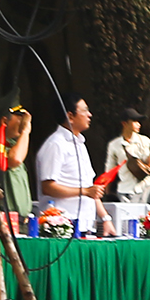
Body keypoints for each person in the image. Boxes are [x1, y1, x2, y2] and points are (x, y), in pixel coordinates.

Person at [34, 96, 102, 235]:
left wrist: (105, 217)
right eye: (85, 110)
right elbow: (48, 187)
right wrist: (85, 191)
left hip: (85, 224)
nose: (90, 115)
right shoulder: (56, 144)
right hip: (61, 227)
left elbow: (89, 186)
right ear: (70, 116)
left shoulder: (81, 144)